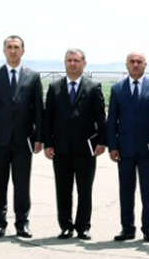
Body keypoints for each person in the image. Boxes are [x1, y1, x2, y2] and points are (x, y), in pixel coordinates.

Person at [0, 35, 44, 238]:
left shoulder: (33, 76)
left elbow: (38, 110)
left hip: (24, 141)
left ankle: (22, 223)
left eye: (16, 47)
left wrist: (39, 138)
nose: (13, 50)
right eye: (9, 47)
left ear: (23, 51)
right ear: (4, 50)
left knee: (22, 184)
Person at [42, 48, 106, 240]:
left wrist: (102, 142)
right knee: (63, 190)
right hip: (60, 148)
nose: (72, 64)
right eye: (69, 60)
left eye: (76, 60)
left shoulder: (93, 87)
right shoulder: (55, 87)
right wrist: (47, 143)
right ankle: (65, 226)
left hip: (86, 148)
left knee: (84, 190)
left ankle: (83, 226)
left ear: (84, 64)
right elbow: (48, 118)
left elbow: (100, 118)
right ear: (65, 63)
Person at [107, 52, 149, 242]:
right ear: (126, 65)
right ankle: (127, 228)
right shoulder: (117, 89)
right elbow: (112, 120)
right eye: (132, 62)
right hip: (124, 149)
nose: (135, 64)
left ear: (145, 65)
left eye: (139, 62)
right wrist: (112, 146)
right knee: (125, 191)